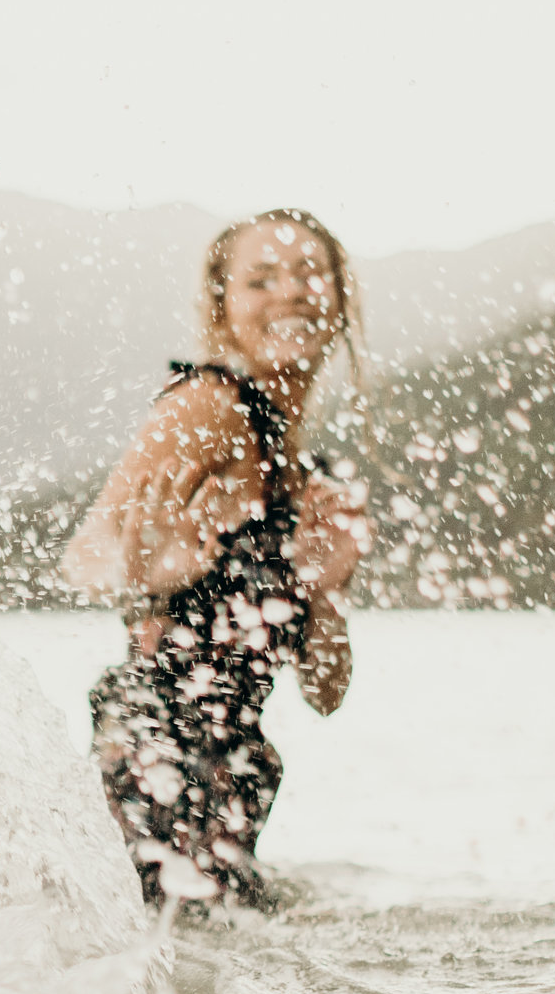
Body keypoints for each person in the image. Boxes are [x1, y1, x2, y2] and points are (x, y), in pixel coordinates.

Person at [61, 210, 371, 911]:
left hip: (230, 788)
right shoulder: (207, 406)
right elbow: (85, 555)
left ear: (339, 300)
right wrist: (146, 574)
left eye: (307, 274)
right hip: (152, 765)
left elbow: (326, 692)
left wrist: (324, 595)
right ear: (223, 306)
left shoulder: (305, 476)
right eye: (260, 279)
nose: (289, 292)